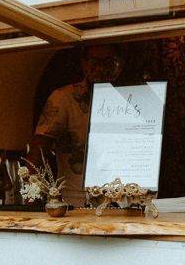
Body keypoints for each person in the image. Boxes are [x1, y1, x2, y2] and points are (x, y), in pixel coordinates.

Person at [31, 45, 123, 207]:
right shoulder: (64, 99)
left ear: (119, 65)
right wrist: (30, 198)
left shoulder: (128, 99)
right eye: (94, 62)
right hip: (75, 202)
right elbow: (38, 152)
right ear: (83, 63)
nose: (101, 68)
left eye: (109, 62)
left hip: (122, 201)